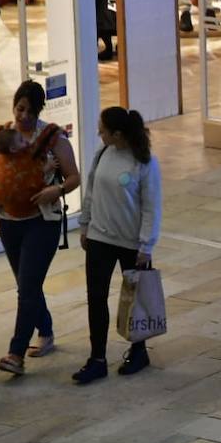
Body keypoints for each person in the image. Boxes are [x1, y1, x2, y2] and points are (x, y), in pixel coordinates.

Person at [0, 81, 81, 377]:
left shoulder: (52, 138)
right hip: (8, 223)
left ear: (39, 112)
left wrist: (55, 191)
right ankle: (45, 331)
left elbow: (73, 177)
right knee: (27, 285)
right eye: (20, 109)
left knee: (28, 286)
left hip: (41, 222)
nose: (23, 117)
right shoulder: (3, 135)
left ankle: (16, 353)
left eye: (30, 112)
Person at [74, 107, 164, 383]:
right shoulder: (102, 154)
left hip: (130, 244)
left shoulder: (143, 162)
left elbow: (151, 207)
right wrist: (85, 223)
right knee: (96, 298)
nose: (98, 134)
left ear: (117, 134)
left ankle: (139, 350)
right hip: (100, 238)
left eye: (102, 130)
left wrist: (145, 245)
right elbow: (91, 190)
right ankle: (97, 358)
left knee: (135, 300)